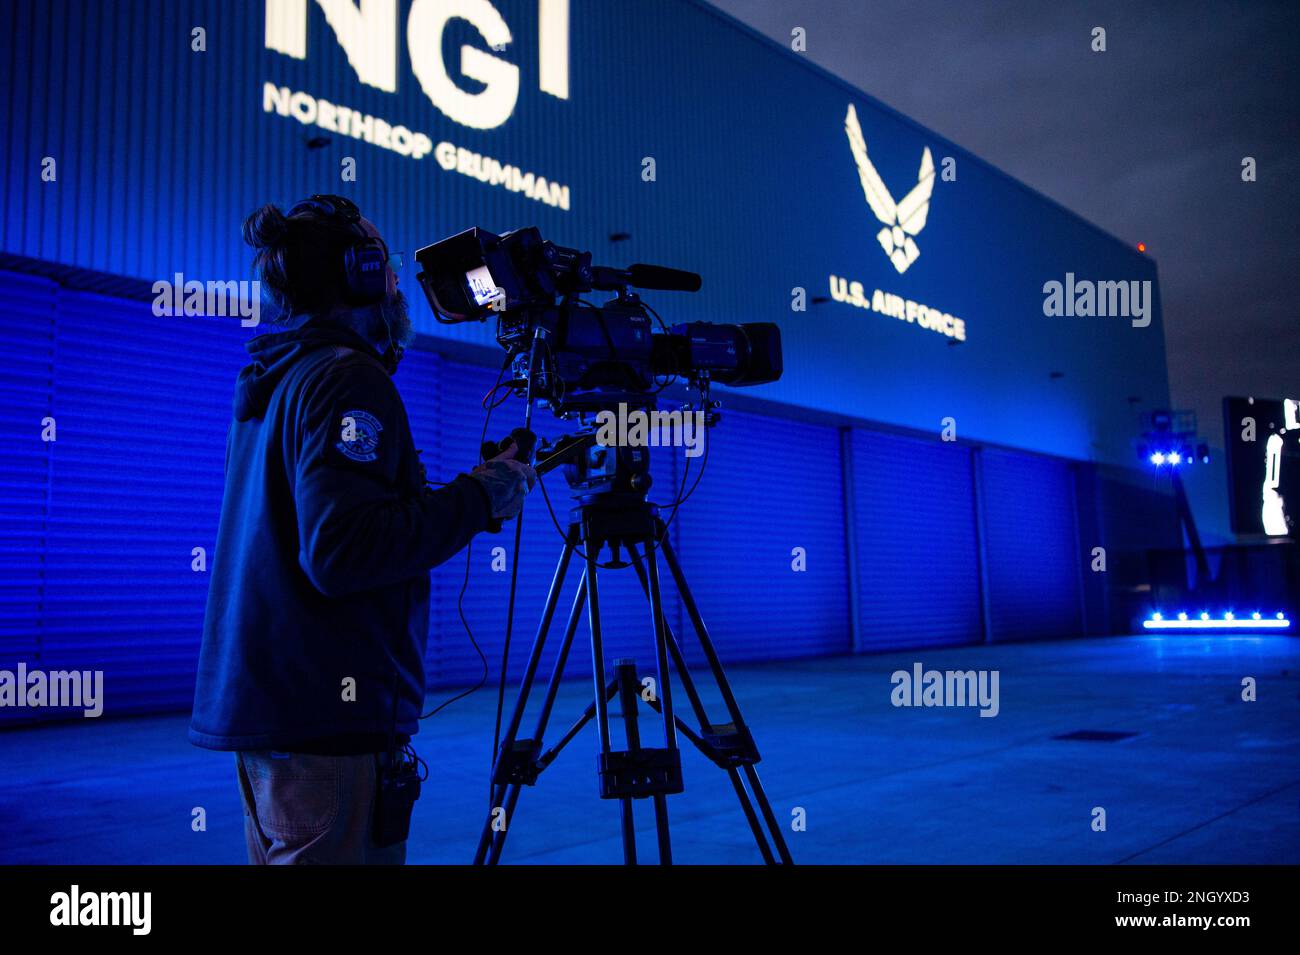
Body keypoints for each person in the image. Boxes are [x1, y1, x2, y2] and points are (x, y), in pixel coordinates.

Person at [189, 194, 534, 864]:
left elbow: (338, 526)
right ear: (363, 276)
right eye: (388, 266)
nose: (399, 284)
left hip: (280, 726)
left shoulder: (279, 378)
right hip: (329, 732)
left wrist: (467, 493)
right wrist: (482, 498)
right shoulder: (348, 379)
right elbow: (343, 550)